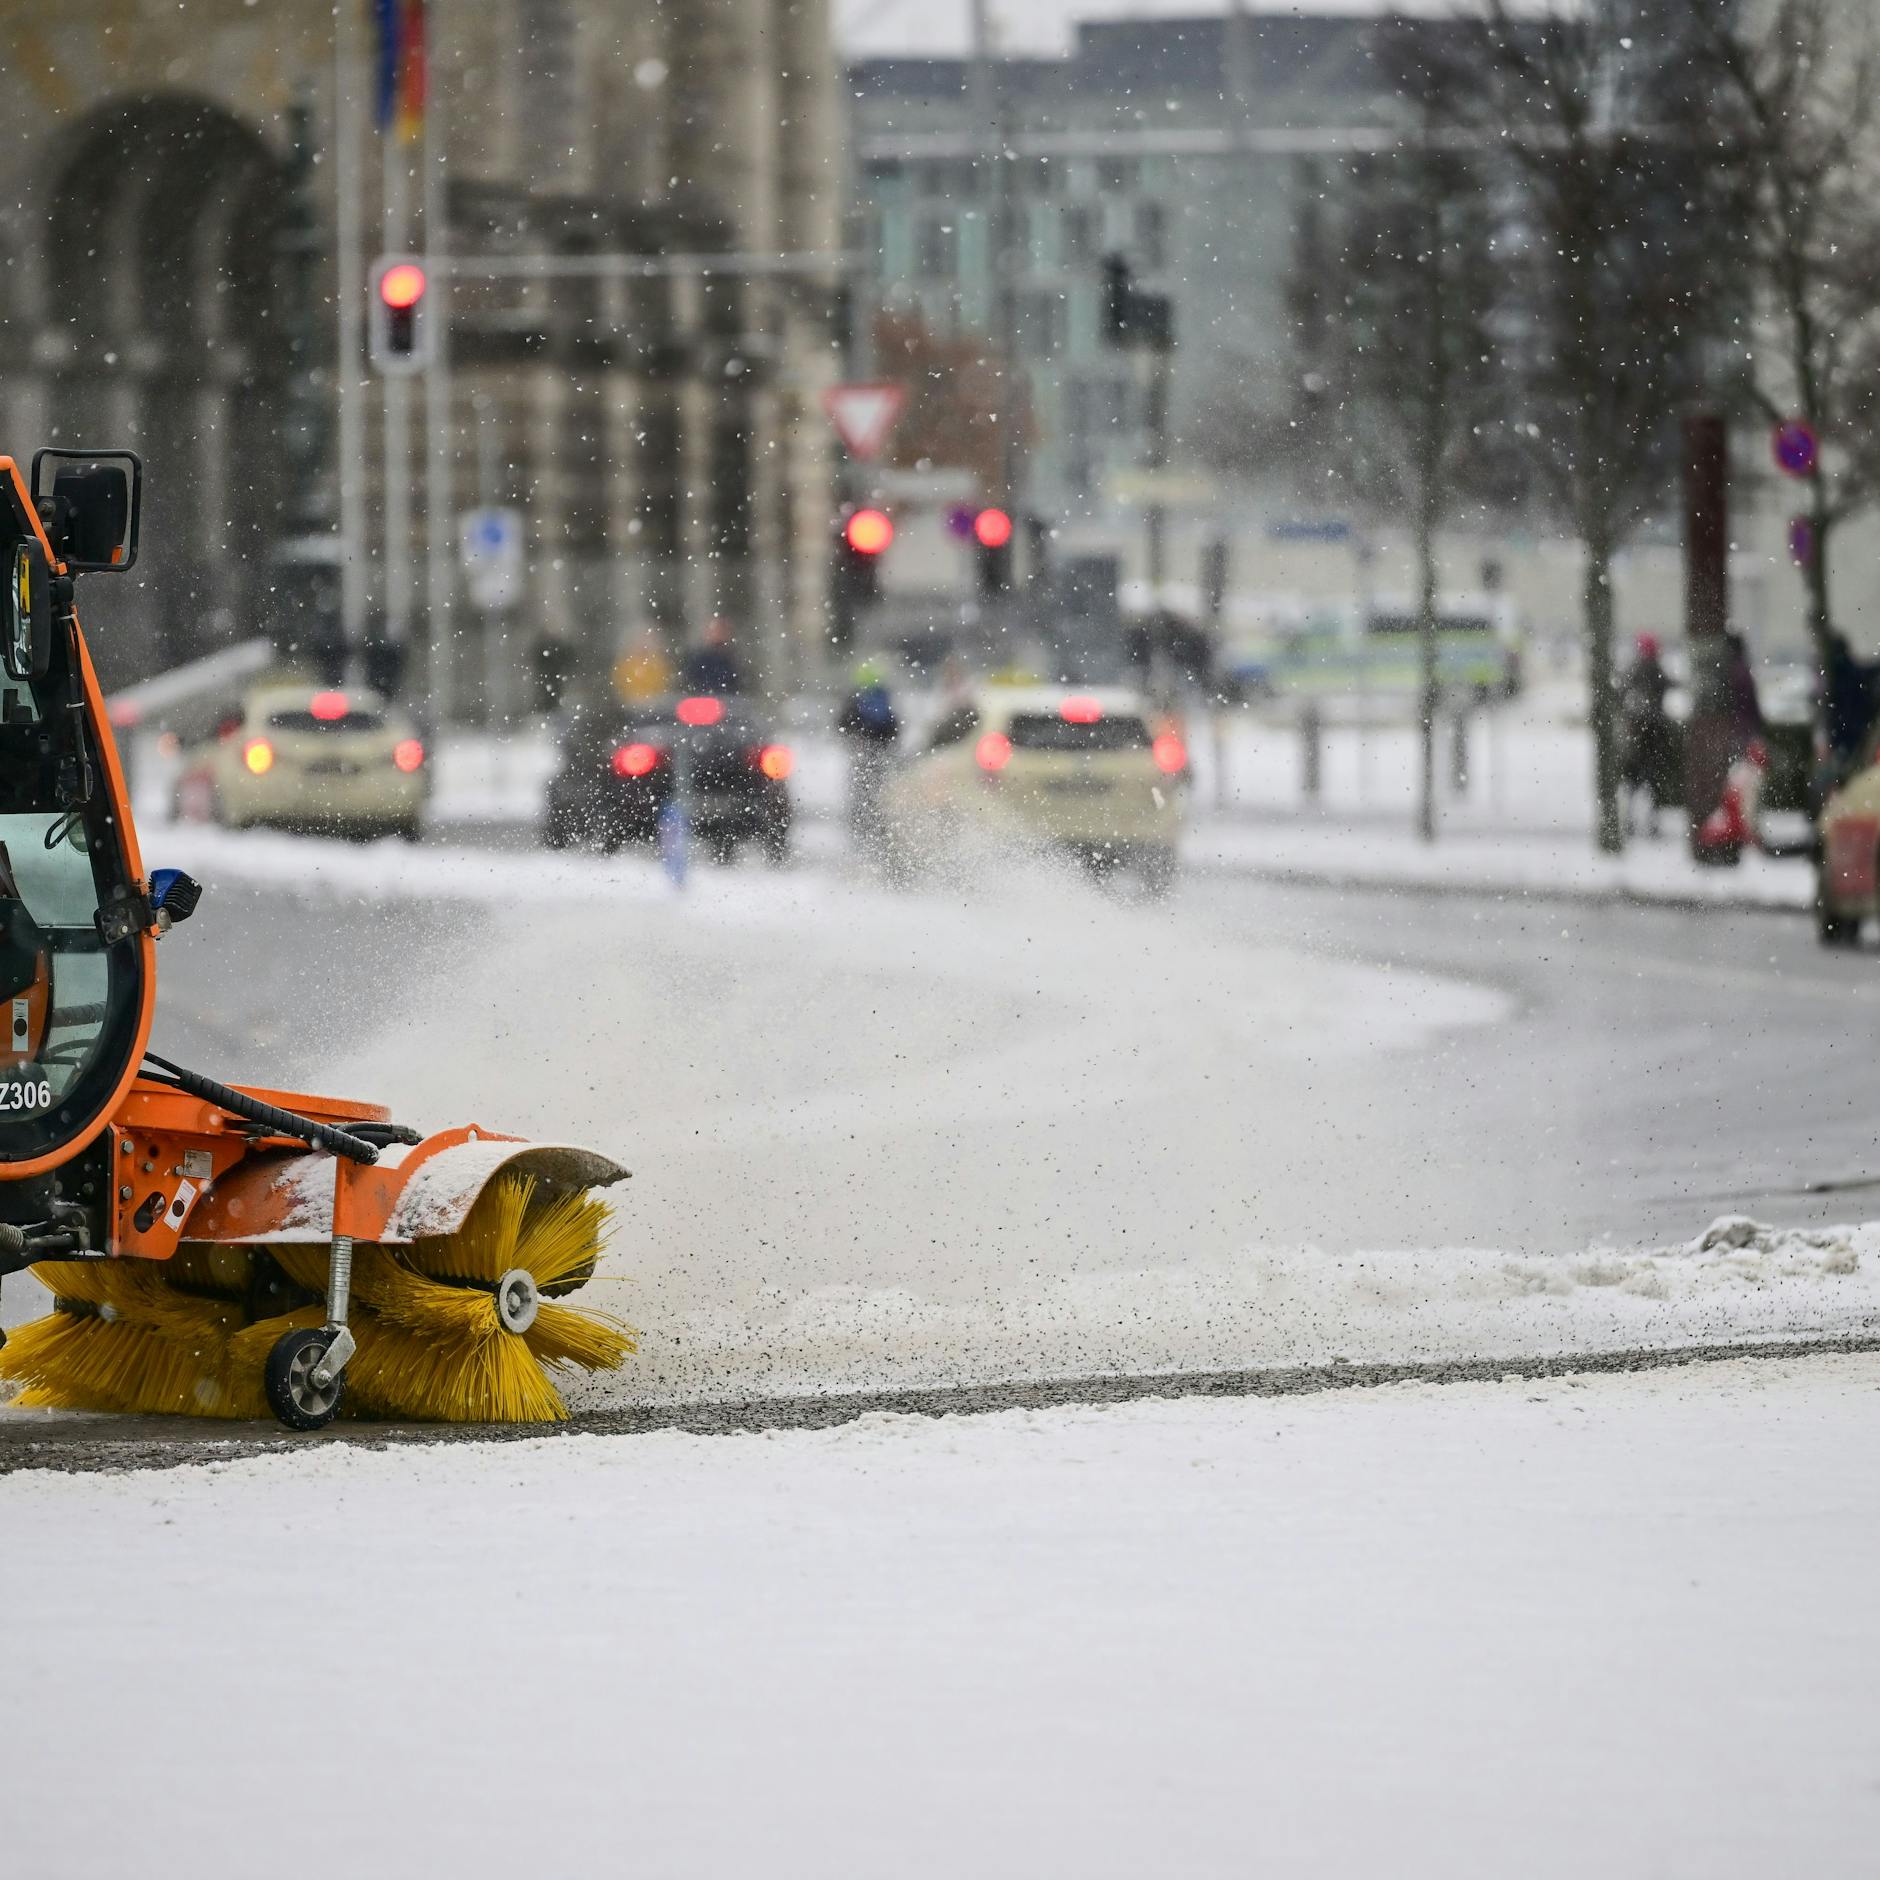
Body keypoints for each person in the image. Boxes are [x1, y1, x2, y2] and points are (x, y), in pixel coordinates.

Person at [836, 660, 900, 853]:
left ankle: (862, 830)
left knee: (861, 793)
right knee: (879, 793)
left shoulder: (855, 699)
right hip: (881, 754)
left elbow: (842, 723)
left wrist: (854, 739)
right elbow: (894, 726)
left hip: (862, 754)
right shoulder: (883, 697)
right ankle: (878, 828)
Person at [1618, 632, 1674, 835]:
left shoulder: (1632, 669)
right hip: (1653, 735)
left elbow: (1620, 692)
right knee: (1653, 781)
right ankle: (1651, 823)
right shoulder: (1654, 668)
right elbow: (1669, 684)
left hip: (1635, 735)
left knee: (1633, 782)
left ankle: (1630, 821)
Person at [679, 617, 745, 696]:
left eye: (722, 631)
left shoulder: (731, 659)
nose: (718, 634)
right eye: (716, 631)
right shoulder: (700, 659)